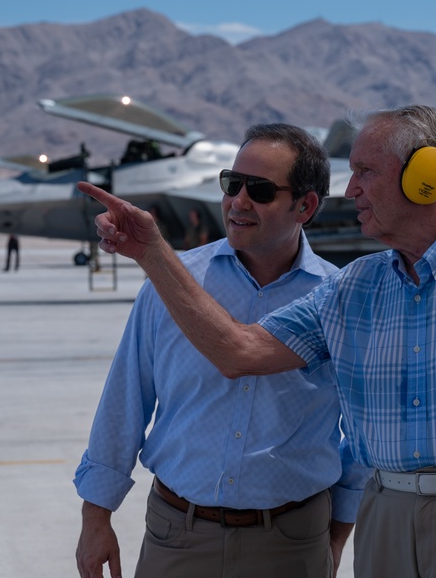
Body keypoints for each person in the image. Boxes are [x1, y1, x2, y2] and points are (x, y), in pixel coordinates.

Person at [79, 106, 436, 577]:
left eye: (365, 170)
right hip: (385, 521)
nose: (351, 189)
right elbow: (237, 351)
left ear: (426, 179)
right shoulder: (356, 289)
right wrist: (155, 254)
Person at [74, 123, 371, 578]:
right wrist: (96, 518)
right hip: (178, 537)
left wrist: (334, 535)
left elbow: (361, 435)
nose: (239, 202)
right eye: (232, 184)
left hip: (291, 544)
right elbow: (125, 399)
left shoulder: (338, 299)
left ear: (306, 206)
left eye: (261, 190)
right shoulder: (172, 283)